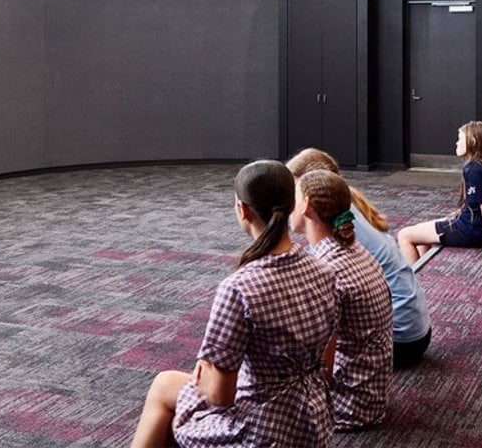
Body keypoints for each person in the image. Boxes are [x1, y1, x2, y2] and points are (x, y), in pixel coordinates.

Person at [131, 160, 337, 448]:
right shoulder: (325, 273)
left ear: (243, 210)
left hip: (262, 432)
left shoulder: (239, 287)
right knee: (168, 385)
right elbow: (326, 365)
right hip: (313, 422)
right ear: (292, 206)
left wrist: (206, 375)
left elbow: (220, 397)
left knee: (164, 391)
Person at [287, 148, 434, 368]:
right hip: (416, 331)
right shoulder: (346, 212)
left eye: (294, 192)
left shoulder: (340, 235)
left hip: (400, 342)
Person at [292, 170, 393, 430]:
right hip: (371, 395)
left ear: (307, 207)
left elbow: (321, 369)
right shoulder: (356, 251)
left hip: (347, 406)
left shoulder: (326, 272)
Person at [396, 121, 482, 263]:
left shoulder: (473, 169)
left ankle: (410, 283)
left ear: (473, 141)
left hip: (470, 230)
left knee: (404, 235)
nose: (456, 143)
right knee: (420, 234)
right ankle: (421, 274)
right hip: (475, 226)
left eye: (460, 139)